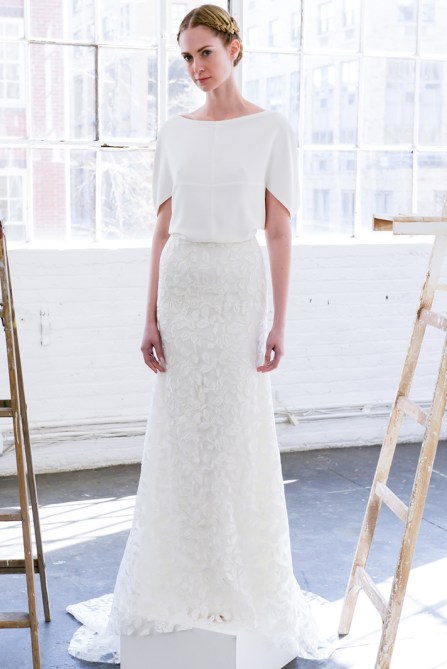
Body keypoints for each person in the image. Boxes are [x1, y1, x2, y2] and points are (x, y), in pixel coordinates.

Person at [67, 4, 337, 663]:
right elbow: (161, 229)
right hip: (182, 286)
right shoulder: (174, 132)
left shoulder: (271, 129)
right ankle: (179, 583)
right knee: (180, 434)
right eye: (187, 57)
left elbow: (279, 230)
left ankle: (233, 584)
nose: (196, 67)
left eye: (205, 53)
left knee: (236, 431)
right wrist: (148, 316)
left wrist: (279, 319)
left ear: (234, 49)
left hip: (238, 286)